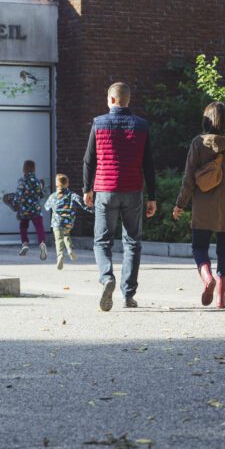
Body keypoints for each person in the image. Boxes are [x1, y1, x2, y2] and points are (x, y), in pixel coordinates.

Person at [172, 101, 225, 309]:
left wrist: (180, 204)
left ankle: (206, 277)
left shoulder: (197, 143)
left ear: (206, 119)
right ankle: (221, 299)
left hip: (204, 206)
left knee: (199, 247)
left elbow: (189, 178)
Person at [83, 82, 157, 311]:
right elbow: (149, 164)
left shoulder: (99, 123)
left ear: (111, 100)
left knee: (102, 241)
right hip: (133, 191)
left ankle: (107, 278)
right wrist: (152, 196)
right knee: (133, 242)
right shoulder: (142, 126)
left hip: (105, 189)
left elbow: (89, 160)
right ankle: (128, 295)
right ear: (128, 100)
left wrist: (87, 189)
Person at [44, 173, 90, 270]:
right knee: (66, 235)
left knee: (58, 240)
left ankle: (60, 255)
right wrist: (92, 209)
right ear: (67, 184)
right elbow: (82, 203)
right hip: (68, 222)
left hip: (56, 223)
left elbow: (46, 207)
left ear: (57, 185)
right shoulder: (72, 195)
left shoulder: (53, 196)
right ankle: (69, 249)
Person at [15, 159, 48, 260]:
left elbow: (18, 195)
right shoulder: (37, 181)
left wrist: (16, 204)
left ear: (24, 169)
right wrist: (42, 186)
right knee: (39, 227)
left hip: (25, 209)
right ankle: (42, 244)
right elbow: (41, 195)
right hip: (35, 208)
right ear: (33, 169)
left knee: (23, 226)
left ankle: (25, 244)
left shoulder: (22, 181)